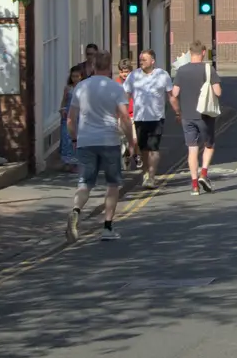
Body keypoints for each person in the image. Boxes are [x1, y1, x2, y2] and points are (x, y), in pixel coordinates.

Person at [65, 51, 135, 243]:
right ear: (109, 66)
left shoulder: (81, 86)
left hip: (86, 141)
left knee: (85, 182)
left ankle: (76, 211)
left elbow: (70, 118)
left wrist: (74, 139)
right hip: (109, 140)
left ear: (93, 66)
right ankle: (107, 228)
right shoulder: (115, 88)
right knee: (112, 185)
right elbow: (125, 118)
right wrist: (131, 144)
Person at [171, 41, 223, 195]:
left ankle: (194, 185)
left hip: (187, 116)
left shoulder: (181, 70)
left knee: (191, 149)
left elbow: (174, 94)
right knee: (209, 145)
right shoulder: (209, 69)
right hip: (205, 115)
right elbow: (218, 92)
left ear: (190, 52)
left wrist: (178, 112)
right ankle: (204, 174)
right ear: (202, 53)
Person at [124, 49, 174, 188]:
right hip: (139, 118)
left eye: (144, 59)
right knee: (143, 148)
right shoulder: (133, 76)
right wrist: (122, 114)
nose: (141, 62)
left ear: (153, 61)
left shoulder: (162, 75)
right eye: (140, 59)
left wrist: (178, 112)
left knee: (153, 148)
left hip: (156, 118)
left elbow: (171, 95)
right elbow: (125, 96)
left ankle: (151, 177)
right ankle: (146, 173)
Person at [57, 66, 84, 172]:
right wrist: (62, 109)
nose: (75, 78)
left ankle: (76, 162)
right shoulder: (68, 88)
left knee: (77, 138)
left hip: (79, 115)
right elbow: (64, 100)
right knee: (66, 138)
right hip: (68, 114)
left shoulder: (83, 88)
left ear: (81, 77)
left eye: (77, 76)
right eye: (73, 76)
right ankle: (67, 162)